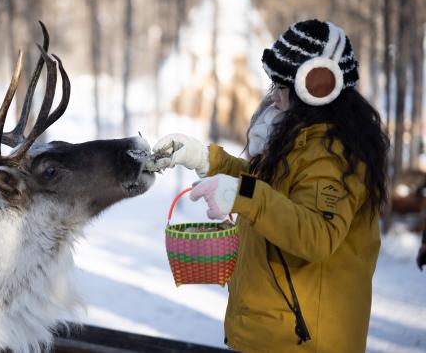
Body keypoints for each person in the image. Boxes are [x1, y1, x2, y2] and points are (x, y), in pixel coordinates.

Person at [153, 19, 390, 353]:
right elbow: (266, 188)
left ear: (317, 86)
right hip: (273, 332)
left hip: (304, 341)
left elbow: (317, 236)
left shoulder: (332, 154)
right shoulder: (301, 138)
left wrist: (241, 194)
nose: (274, 95)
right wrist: (206, 159)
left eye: (282, 85)